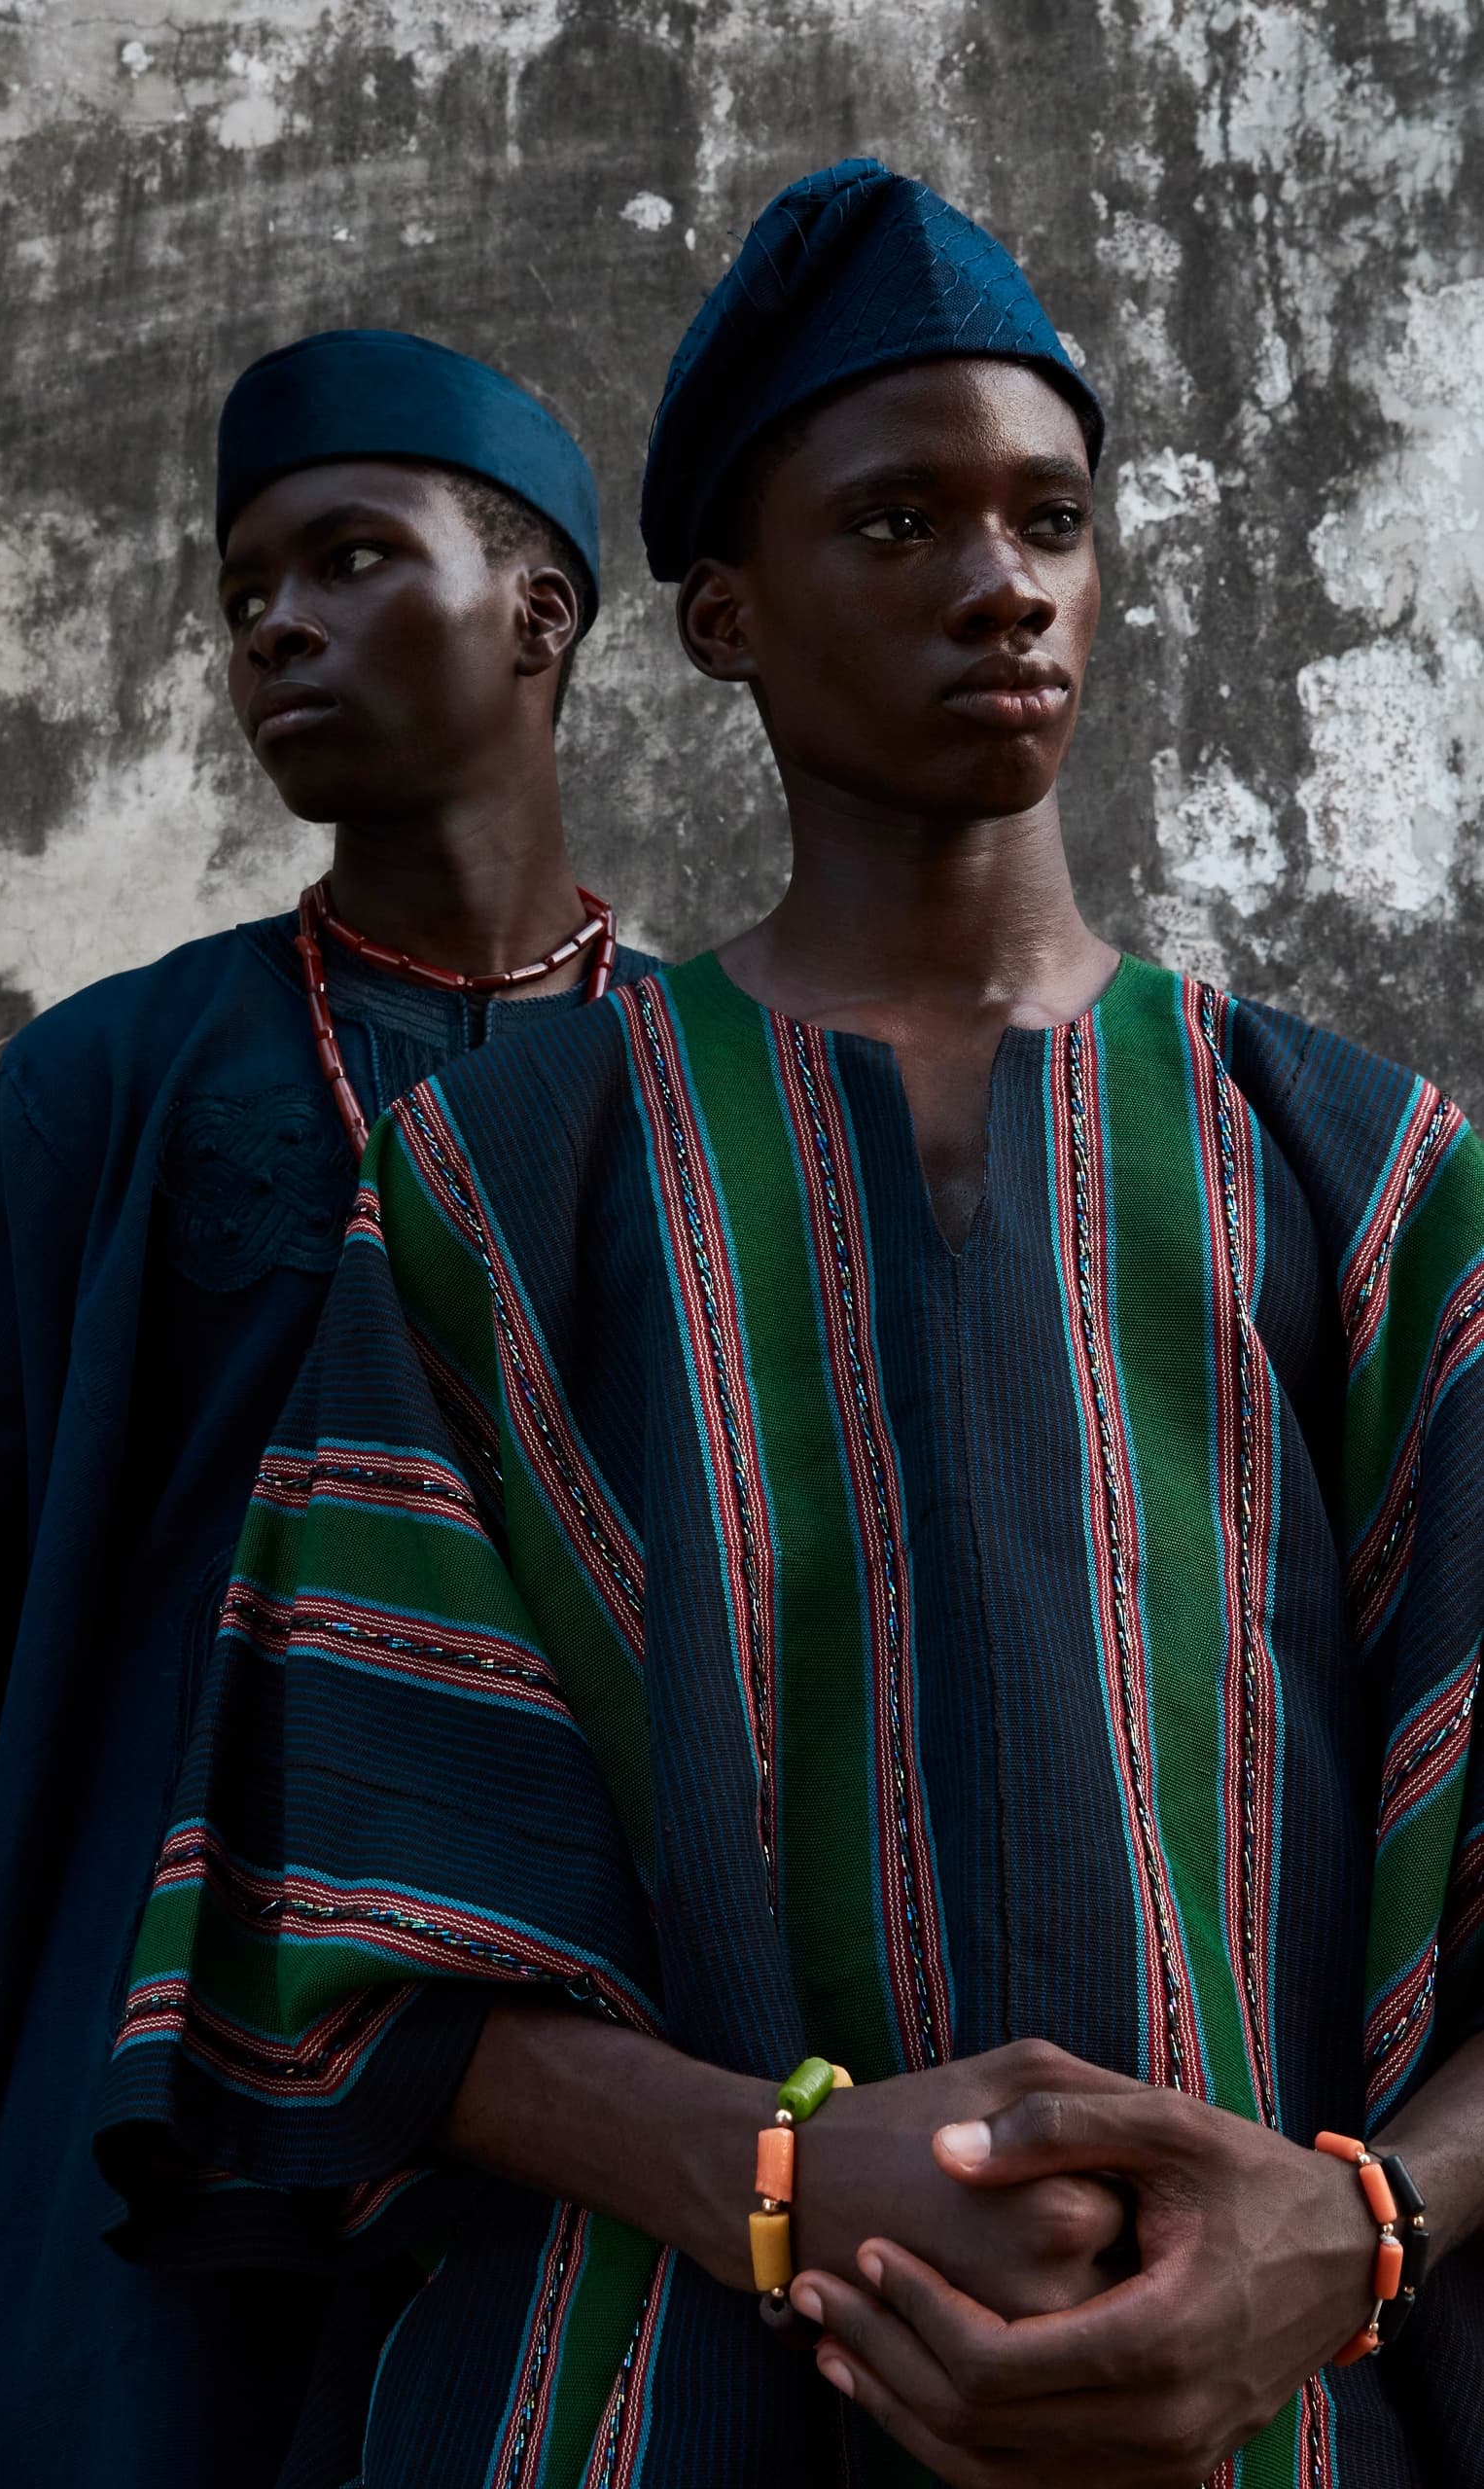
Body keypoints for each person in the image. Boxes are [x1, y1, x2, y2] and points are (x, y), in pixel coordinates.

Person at [96, 165, 1484, 2486]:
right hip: (638, 2401)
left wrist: (1338, 2231)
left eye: (1048, 515)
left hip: (1258, 2418)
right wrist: (769, 2178)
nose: (997, 581)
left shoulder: (1366, 1168)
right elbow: (342, 1908)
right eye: (900, 519)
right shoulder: (503, 1176)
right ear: (721, 614)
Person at [0, 325, 656, 2489]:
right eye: (243, 594)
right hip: (144, 2183)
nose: (276, 621)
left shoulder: (741, 1089)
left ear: (539, 613)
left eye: (352, 557)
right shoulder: (116, 1084)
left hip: (633, 2175)